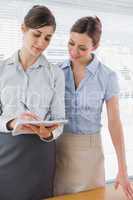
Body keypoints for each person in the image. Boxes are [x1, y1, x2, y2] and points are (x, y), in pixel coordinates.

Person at [54, 16, 133, 200]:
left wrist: (122, 168)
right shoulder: (56, 72)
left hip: (91, 154)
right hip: (59, 150)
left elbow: (114, 122)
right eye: (71, 44)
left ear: (95, 47)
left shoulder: (107, 76)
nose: (73, 52)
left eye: (82, 48)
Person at [0, 5, 65, 200]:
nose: (41, 43)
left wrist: (49, 132)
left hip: (40, 153)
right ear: (23, 29)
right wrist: (11, 122)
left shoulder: (55, 74)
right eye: (36, 34)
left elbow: (59, 119)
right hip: (6, 150)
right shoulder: (1, 70)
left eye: (47, 37)